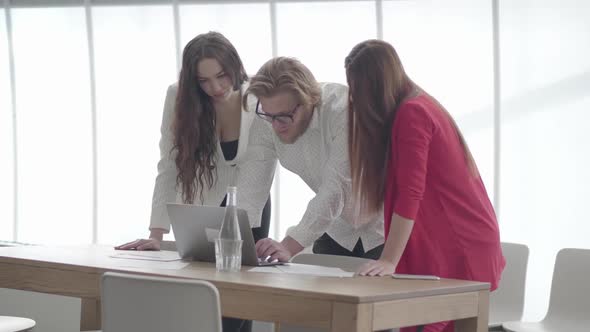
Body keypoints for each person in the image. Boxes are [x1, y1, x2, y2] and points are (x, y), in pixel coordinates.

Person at [344, 39, 505, 332]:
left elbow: (411, 193)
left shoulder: (412, 113)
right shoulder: (419, 104)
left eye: (358, 91)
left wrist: (389, 259)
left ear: (376, 87)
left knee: (430, 322)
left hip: (459, 241)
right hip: (456, 236)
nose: (354, 101)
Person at [116, 31, 270, 332]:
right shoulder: (179, 96)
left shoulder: (258, 94)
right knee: (205, 301)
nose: (215, 87)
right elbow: (169, 163)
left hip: (251, 201)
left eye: (222, 75)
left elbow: (265, 161)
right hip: (206, 201)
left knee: (239, 299)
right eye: (204, 81)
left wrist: (243, 231)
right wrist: (157, 232)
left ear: (234, 65)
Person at [235, 57, 384, 262]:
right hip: (336, 229)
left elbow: (336, 189)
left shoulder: (345, 111)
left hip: (385, 229)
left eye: (284, 116)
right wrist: (235, 245)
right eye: (269, 116)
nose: (276, 126)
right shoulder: (268, 117)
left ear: (309, 100)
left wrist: (288, 246)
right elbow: (251, 188)